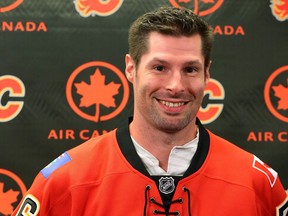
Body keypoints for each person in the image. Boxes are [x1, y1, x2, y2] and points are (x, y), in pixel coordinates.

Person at [13, 6, 287, 216]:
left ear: (207, 73)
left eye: (190, 69)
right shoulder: (66, 182)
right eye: (159, 68)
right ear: (131, 69)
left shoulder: (256, 183)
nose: (176, 86)